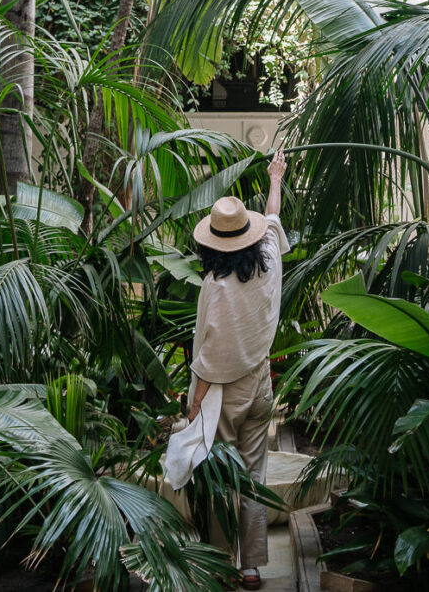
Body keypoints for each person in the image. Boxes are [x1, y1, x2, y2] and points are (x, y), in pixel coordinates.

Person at [184, 150, 289, 592]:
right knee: (253, 477)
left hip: (220, 395)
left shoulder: (216, 286)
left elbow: (209, 353)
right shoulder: (269, 260)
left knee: (220, 476)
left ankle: (223, 561)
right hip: (260, 386)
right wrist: (275, 177)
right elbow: (273, 219)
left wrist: (193, 405)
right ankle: (251, 568)